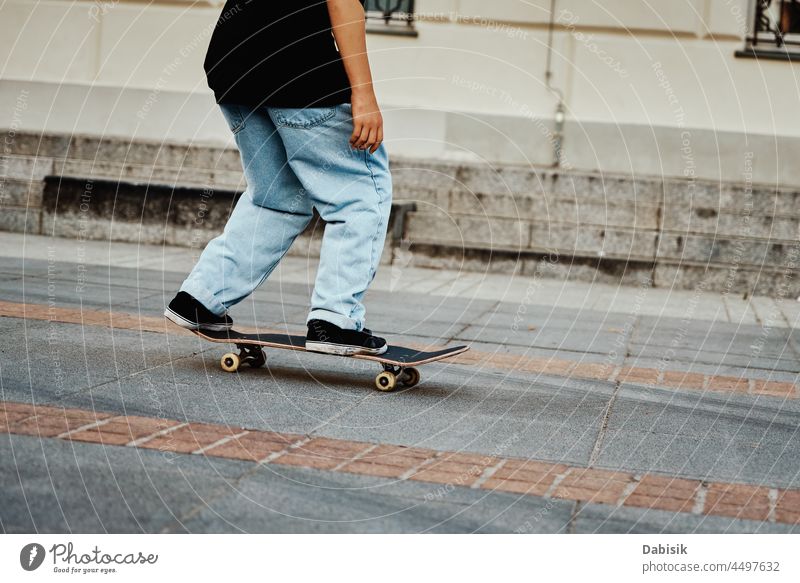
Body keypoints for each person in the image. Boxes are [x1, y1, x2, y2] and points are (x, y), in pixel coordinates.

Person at [164, 0, 391, 356]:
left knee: (276, 198)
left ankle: (201, 298)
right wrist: (364, 95)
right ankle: (335, 320)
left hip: (234, 66)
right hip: (298, 70)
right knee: (360, 198)